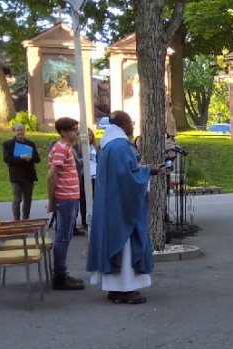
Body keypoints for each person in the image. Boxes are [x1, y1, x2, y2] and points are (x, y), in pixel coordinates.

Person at [87, 111, 161, 304]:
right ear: (121, 123)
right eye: (130, 122)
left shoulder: (107, 145)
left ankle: (115, 289)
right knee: (125, 245)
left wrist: (139, 170)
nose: (132, 126)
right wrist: (148, 171)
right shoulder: (120, 146)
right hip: (121, 206)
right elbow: (128, 178)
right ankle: (124, 289)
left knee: (115, 242)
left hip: (110, 202)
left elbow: (122, 173)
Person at [46, 117, 86, 291]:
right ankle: (59, 276)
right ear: (63, 132)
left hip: (70, 198)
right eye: (73, 129)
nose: (77, 132)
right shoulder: (61, 148)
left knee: (66, 236)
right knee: (62, 238)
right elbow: (51, 176)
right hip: (65, 199)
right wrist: (51, 201)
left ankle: (62, 272)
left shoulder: (66, 148)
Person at [3, 122, 40, 220]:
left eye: (22, 129)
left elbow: (37, 159)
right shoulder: (8, 144)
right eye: (18, 130)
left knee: (28, 200)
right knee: (17, 199)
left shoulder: (30, 144)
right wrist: (21, 157)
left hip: (29, 175)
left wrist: (31, 158)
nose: (20, 132)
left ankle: (26, 219)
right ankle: (16, 220)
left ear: (25, 130)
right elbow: (7, 159)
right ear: (14, 131)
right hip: (16, 176)